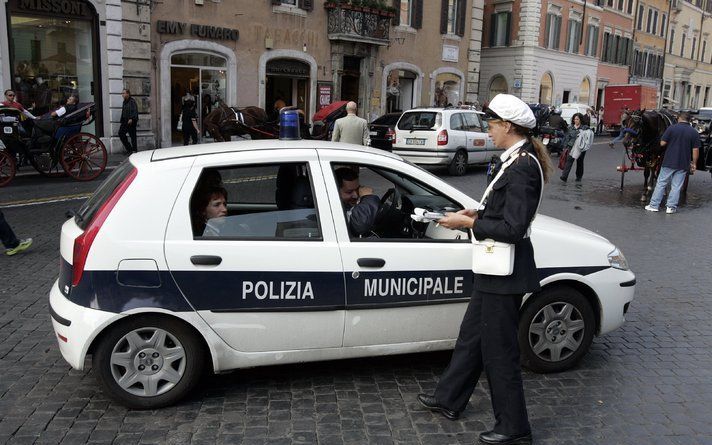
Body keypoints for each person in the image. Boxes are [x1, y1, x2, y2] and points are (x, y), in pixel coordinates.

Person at [417, 93, 551, 445]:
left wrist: (467, 225)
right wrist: (470, 216)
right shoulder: (514, 160)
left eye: (491, 125)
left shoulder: (522, 166)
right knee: (472, 337)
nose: (487, 130)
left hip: (505, 273)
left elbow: (513, 228)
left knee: (500, 352)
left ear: (507, 126)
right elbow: (499, 214)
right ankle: (449, 398)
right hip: (494, 270)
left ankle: (514, 426)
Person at [645, 112, 700, 214]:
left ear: (679, 118)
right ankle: (671, 207)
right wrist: (694, 164)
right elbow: (695, 150)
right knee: (676, 186)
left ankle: (654, 205)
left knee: (661, 183)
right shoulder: (694, 132)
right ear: (688, 120)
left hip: (669, 161)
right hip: (683, 163)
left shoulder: (671, 128)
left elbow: (662, 143)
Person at [334, 167, 379, 237]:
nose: (355, 195)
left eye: (357, 189)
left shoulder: (345, 205)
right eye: (349, 192)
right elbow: (359, 225)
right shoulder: (333, 208)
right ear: (335, 191)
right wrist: (368, 198)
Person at [560, 113, 594, 182]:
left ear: (580, 120)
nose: (576, 121)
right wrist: (565, 146)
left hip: (580, 147)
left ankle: (579, 176)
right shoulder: (570, 127)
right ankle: (564, 176)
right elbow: (567, 137)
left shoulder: (585, 127)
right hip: (571, 146)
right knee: (569, 161)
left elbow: (589, 135)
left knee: (580, 162)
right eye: (575, 119)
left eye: (577, 119)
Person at [118, 89, 138, 154]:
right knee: (121, 133)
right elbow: (123, 111)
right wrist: (122, 120)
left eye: (124, 93)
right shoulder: (124, 102)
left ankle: (134, 150)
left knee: (133, 136)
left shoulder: (132, 101)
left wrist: (131, 118)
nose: (122, 95)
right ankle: (129, 149)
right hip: (125, 120)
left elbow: (135, 110)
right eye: (122, 93)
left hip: (131, 121)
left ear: (128, 94)